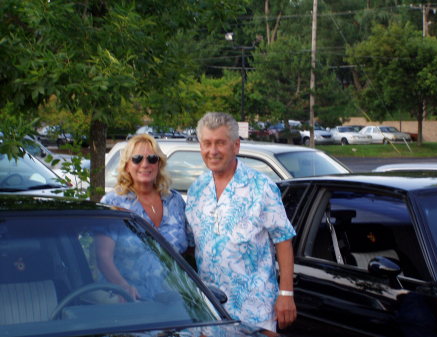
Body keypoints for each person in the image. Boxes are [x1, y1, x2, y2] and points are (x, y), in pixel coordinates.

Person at [185, 112, 297, 332]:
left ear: (236, 146)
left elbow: (283, 240)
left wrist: (286, 293)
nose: (213, 150)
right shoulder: (196, 190)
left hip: (254, 309)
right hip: (210, 310)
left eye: (220, 143)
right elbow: (192, 245)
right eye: (207, 143)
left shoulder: (261, 187)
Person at [97, 133, 188, 299]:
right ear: (126, 165)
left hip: (171, 298)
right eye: (137, 159)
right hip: (128, 298)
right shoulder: (113, 203)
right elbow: (102, 257)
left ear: (159, 164)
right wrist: (123, 287)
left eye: (152, 159)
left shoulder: (174, 201)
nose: (145, 164)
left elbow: (188, 250)